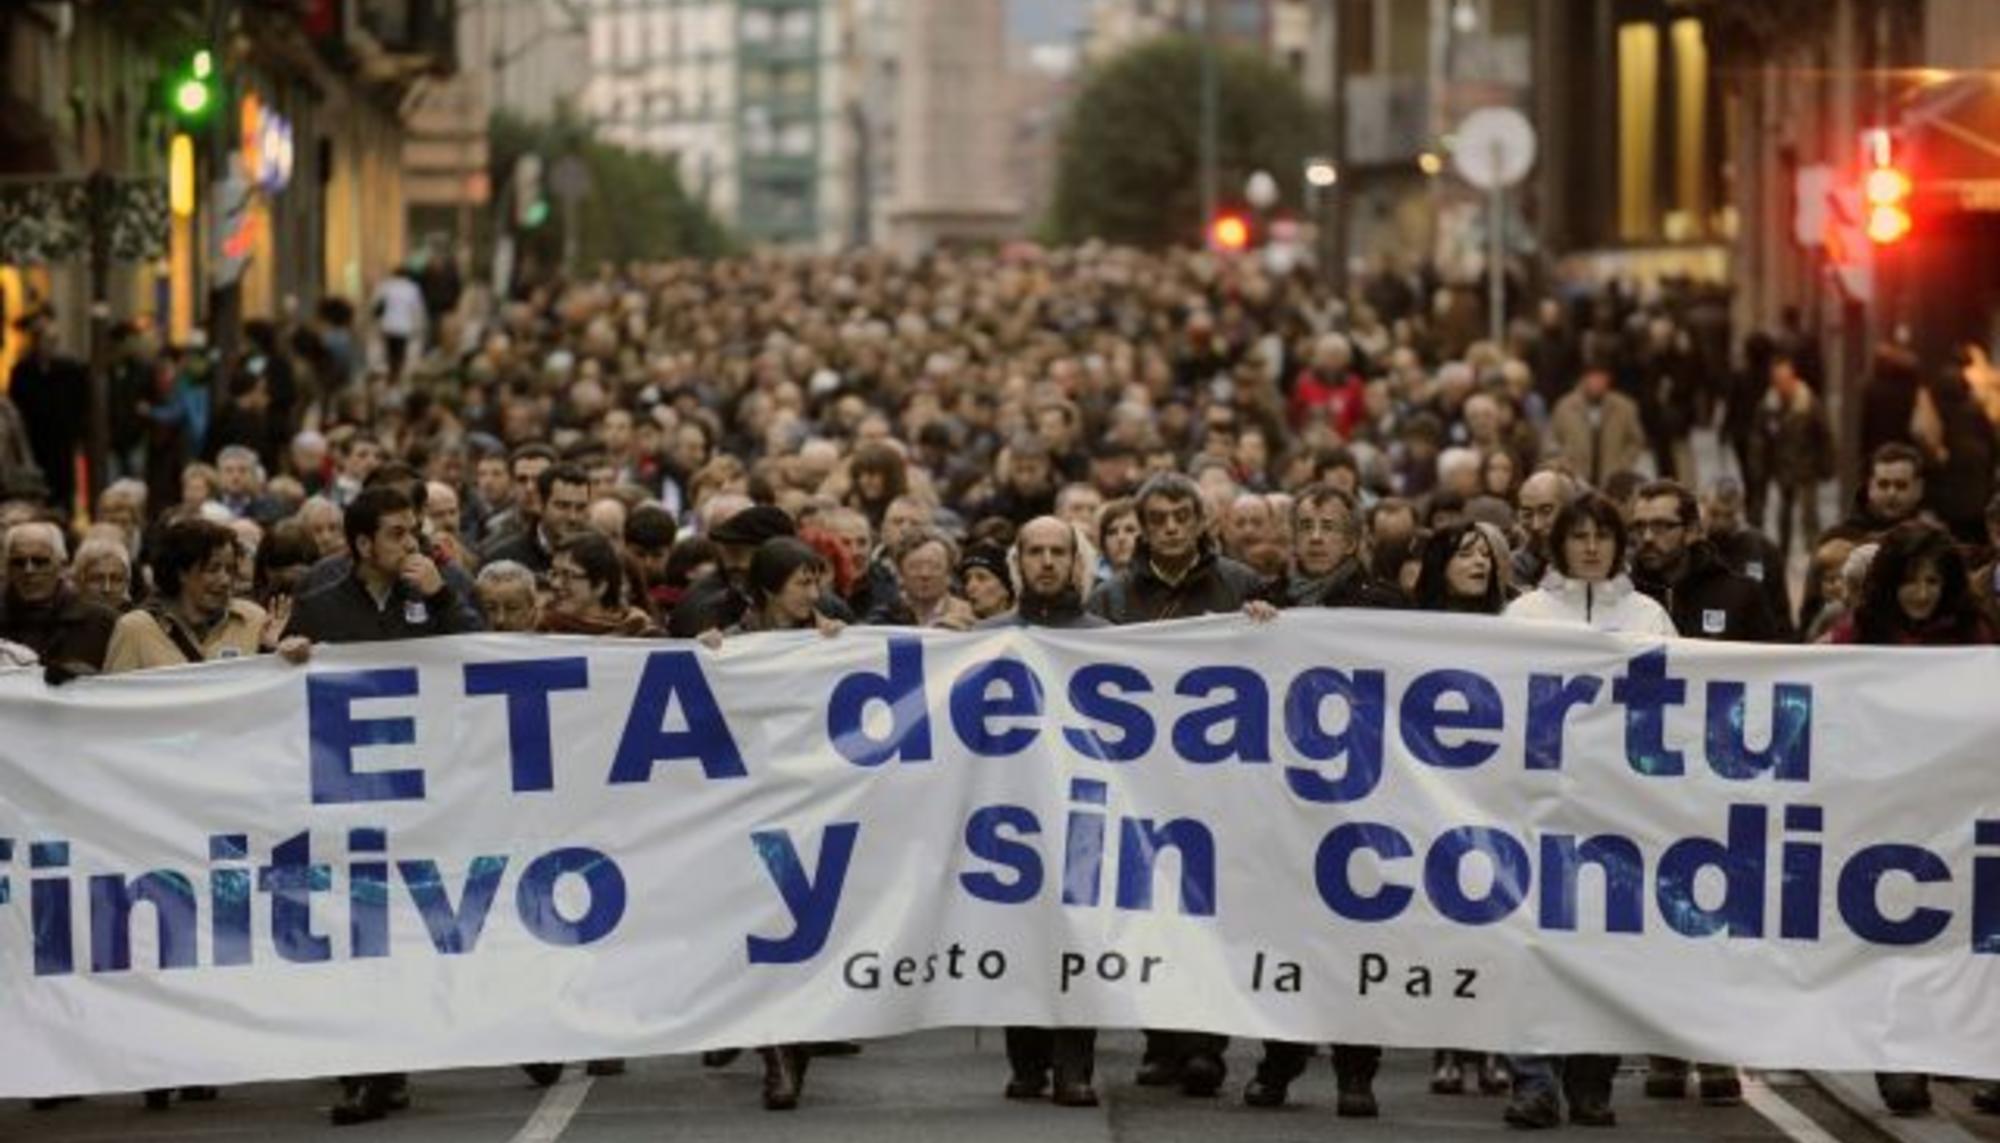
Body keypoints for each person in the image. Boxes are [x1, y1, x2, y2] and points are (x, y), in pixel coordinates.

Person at [100, 516, 308, 1108]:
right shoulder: (136, 630)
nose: (224, 580)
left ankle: (205, 1051)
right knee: (163, 935)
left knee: (217, 932)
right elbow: (108, 721)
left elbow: (276, 705)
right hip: (160, 810)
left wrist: (280, 658)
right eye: (210, 569)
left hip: (229, 807)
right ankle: (157, 1058)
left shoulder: (252, 621)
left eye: (230, 568)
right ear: (179, 573)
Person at [290, 485, 474, 1126]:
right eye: (397, 533)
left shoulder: (437, 589)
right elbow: (280, 695)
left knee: (408, 925)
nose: (411, 543)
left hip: (423, 790)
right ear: (363, 543)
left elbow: (482, 653)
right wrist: (283, 658)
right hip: (347, 794)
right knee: (357, 925)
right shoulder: (319, 605)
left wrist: (443, 596)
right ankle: (369, 1069)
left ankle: (391, 1061)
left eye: (414, 531)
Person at [1499, 494, 1674, 1130]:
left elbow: (1676, 707)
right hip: (1540, 811)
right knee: (1535, 949)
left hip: (1618, 816)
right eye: (1580, 536)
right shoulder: (1525, 614)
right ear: (1560, 543)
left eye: (1604, 535)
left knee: (1607, 954)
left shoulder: (1649, 615)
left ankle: (1592, 1082)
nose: (1593, 547)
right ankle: (1533, 1080)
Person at [1087, 473, 1258, 1096]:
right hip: (1141, 779)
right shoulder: (1111, 599)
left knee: (1209, 912)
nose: (1169, 528)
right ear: (1142, 525)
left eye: (1180, 516)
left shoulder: (1239, 586)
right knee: (1149, 911)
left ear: (1199, 521)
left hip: (1218, 779)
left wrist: (1267, 622)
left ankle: (1206, 1044)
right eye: (1156, 518)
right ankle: (1162, 1039)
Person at [1822, 522, 1999, 1115]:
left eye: (1932, 581)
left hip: (1954, 819)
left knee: (1954, 942)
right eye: (1909, 582)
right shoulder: (1854, 640)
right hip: (1881, 818)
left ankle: (1953, 1049)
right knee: (1891, 938)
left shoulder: (1977, 643)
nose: (1921, 594)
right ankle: (1899, 1060)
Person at [1237, 485, 1394, 1118]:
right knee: (1289, 932)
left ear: (1355, 539)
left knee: (1359, 937)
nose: (1317, 537)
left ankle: (1357, 1071)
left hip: (1367, 798)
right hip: (1292, 800)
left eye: (1330, 526)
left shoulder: (1386, 607)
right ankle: (1281, 1057)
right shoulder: (1267, 603)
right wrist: (1252, 636)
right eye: (1306, 525)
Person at [696, 535, 844, 1109]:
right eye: (802, 583)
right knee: (767, 925)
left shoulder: (830, 636)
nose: (814, 592)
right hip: (753, 808)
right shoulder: (731, 645)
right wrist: (704, 657)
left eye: (817, 581)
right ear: (767, 590)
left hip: (820, 803)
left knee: (810, 927)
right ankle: (777, 1054)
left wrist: (840, 646)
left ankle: (796, 1038)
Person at [976, 516, 1107, 1107]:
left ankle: (1075, 1065)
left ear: (1076, 561)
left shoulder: (1106, 637)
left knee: (1078, 933)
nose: (1048, 562)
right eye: (1036, 552)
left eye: (1059, 551)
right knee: (1019, 930)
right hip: (1009, 811)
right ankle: (1026, 1061)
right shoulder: (987, 638)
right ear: (1019, 562)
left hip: (1083, 810)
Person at [1629, 481, 1780, 645]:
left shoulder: (1741, 596)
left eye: (1661, 526)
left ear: (1692, 530)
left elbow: (1770, 664)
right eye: (1639, 527)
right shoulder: (1621, 595)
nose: (1647, 538)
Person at [0, 521, 117, 679]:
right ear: (7, 569)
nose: (29, 570)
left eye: (40, 562)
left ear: (62, 565)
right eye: (18, 562)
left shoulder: (100, 622)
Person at [1757, 352, 1833, 560]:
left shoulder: (1808, 402)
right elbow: (1760, 437)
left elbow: (1824, 435)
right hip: (1783, 468)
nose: (1782, 386)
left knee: (1809, 514)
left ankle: (1815, 554)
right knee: (1784, 514)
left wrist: (1826, 465)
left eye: (1785, 380)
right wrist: (1761, 467)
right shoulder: (1769, 405)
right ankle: (1783, 553)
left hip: (1807, 466)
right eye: (1778, 381)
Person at [1549, 364, 1647, 488]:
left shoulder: (1624, 407)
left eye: (1602, 379)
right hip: (1576, 479)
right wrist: (1565, 464)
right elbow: (1553, 441)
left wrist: (1623, 464)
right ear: (1584, 379)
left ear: (1608, 380)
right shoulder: (1565, 407)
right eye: (1593, 378)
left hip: (1612, 478)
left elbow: (1636, 440)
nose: (1597, 383)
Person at [71, 538, 134, 613]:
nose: (107, 589)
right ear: (78, 582)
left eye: (116, 579)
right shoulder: (61, 621)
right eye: (97, 579)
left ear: (127, 582)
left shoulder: (139, 622)